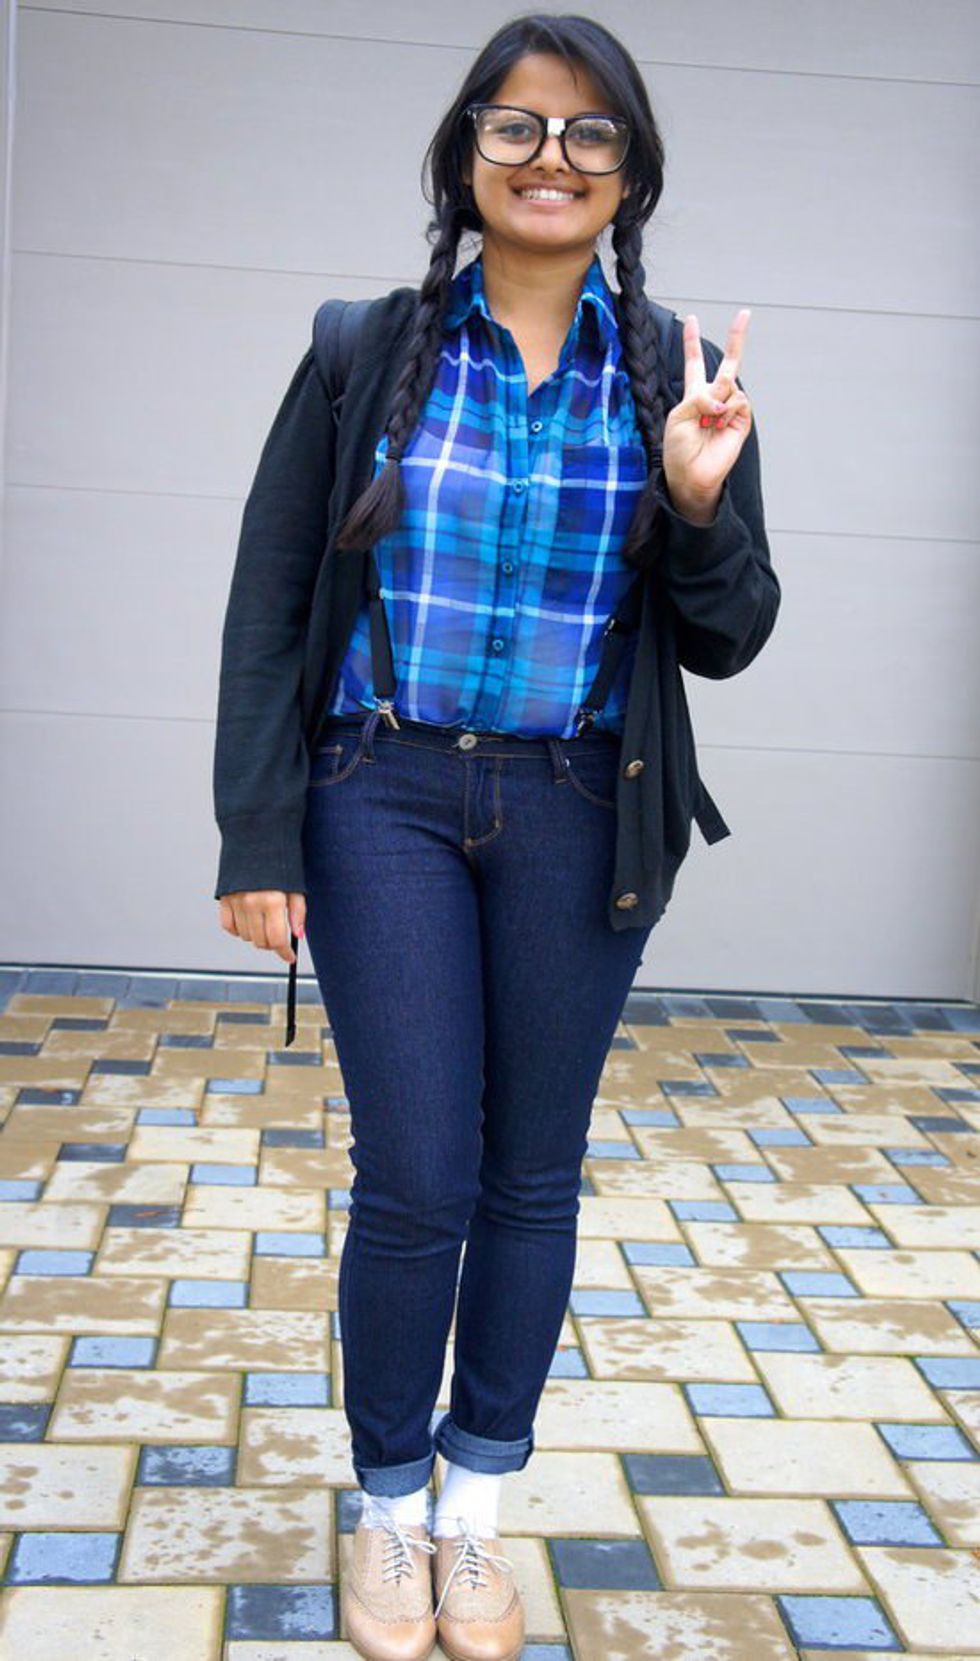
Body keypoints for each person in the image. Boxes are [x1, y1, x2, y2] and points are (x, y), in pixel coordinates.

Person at [212, 13, 780, 1660]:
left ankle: (476, 1509)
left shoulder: (677, 369)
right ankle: (388, 1510)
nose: (552, 157)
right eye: (518, 125)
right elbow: (269, 601)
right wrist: (259, 834)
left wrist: (696, 501)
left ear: (632, 174)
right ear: (466, 153)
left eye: (591, 133)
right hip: (379, 793)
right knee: (418, 1176)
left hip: (578, 809)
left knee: (532, 1173)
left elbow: (733, 634)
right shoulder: (363, 348)